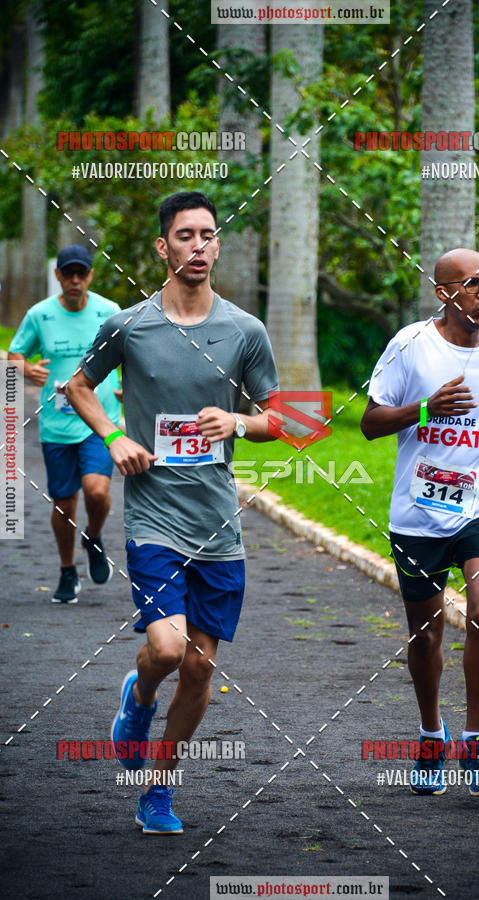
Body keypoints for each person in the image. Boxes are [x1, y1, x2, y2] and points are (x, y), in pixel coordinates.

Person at [66, 191, 279, 834]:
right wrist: (113, 436)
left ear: (218, 245)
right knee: (166, 648)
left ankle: (158, 789)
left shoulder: (245, 330)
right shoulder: (130, 326)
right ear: (163, 248)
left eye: (208, 236)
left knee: (201, 666)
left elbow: (283, 417)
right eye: (184, 236)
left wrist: (237, 419)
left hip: (217, 523)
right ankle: (137, 698)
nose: (198, 246)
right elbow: (76, 385)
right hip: (154, 518)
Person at [361, 248, 479, 797]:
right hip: (418, 513)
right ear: (445, 293)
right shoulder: (410, 346)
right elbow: (368, 423)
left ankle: (476, 741)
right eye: (473, 284)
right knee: (425, 633)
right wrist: (425, 410)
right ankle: (430, 734)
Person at [8, 245, 121, 603]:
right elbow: (16, 351)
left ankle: (95, 535)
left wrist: (125, 385)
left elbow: (131, 353)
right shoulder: (40, 315)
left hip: (100, 421)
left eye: (81, 273)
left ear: (90, 275)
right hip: (57, 424)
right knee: (64, 503)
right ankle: (67, 569)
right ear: (57, 275)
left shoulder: (110, 313)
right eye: (68, 274)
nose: (75, 280)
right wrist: (26, 369)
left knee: (97, 490)